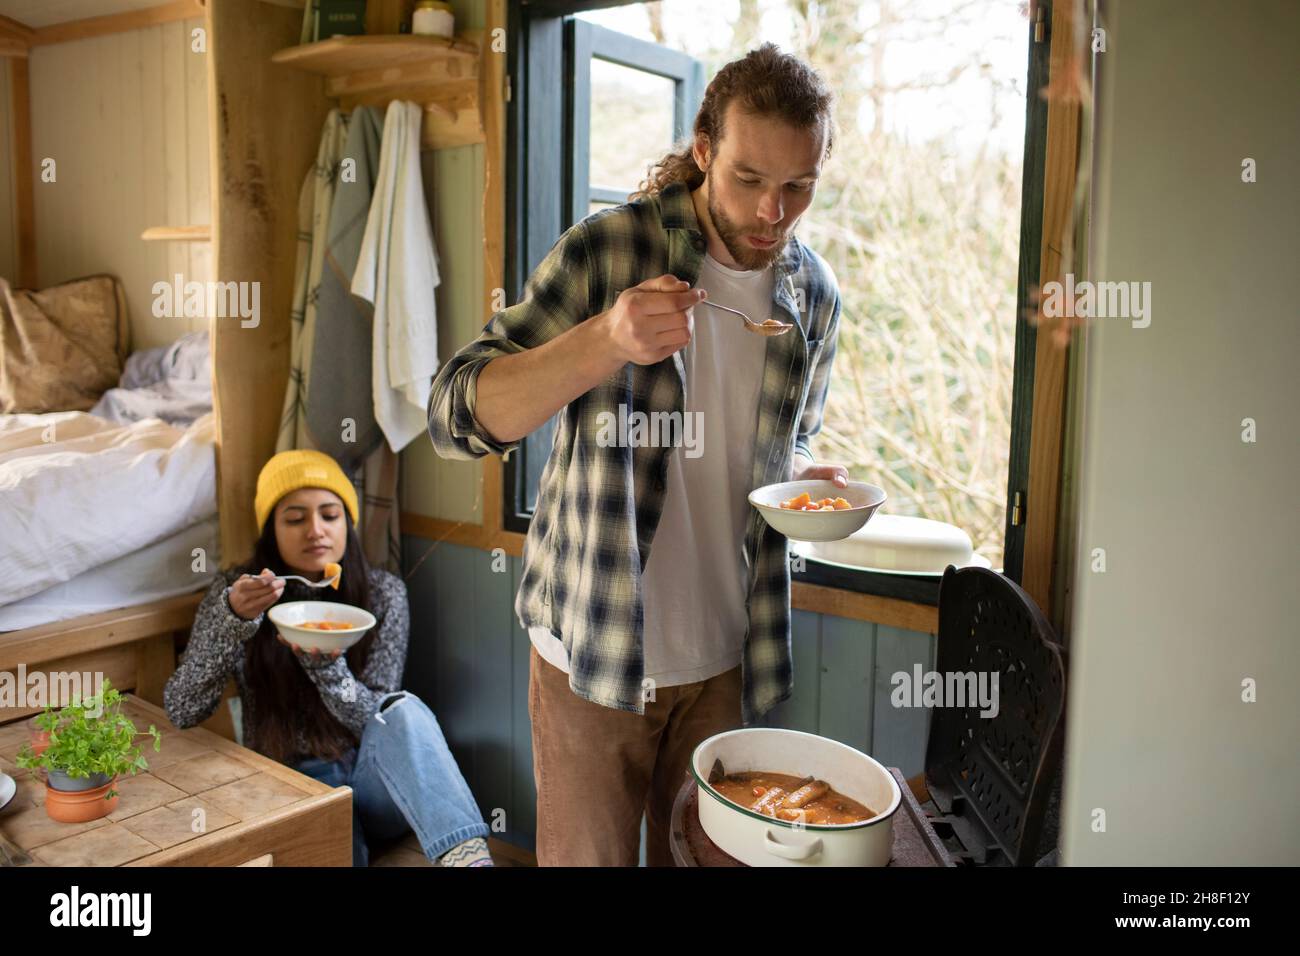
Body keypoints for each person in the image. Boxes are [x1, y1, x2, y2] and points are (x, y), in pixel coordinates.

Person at [427, 43, 847, 866]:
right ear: (703, 150)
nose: (773, 211)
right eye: (749, 179)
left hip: (733, 658)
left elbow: (783, 439)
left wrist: (797, 476)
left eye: (798, 186)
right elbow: (453, 416)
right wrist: (602, 342)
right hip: (595, 652)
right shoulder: (607, 251)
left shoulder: (814, 295)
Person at [164, 450, 492, 866]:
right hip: (290, 782)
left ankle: (469, 859)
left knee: (402, 710)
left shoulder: (383, 594)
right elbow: (182, 708)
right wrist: (232, 620)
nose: (315, 531)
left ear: (347, 524)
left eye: (330, 515)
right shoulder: (237, 594)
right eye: (296, 519)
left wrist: (327, 669)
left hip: (375, 781)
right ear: (271, 530)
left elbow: (377, 719)